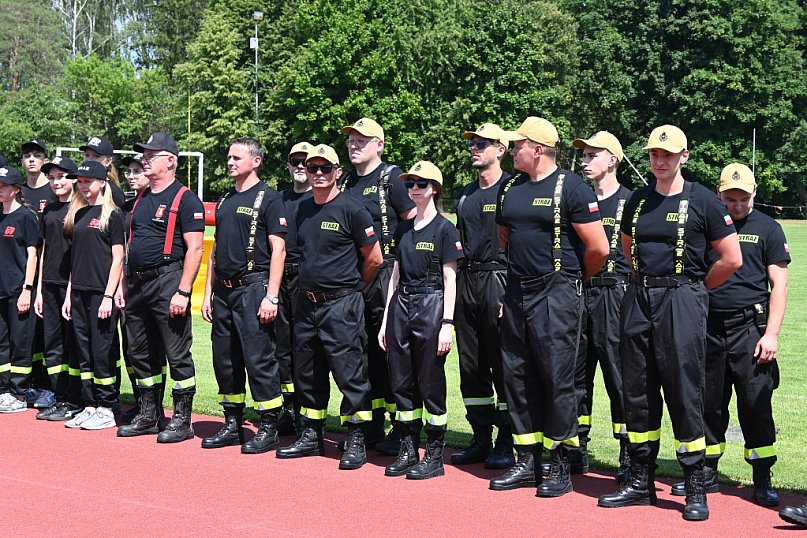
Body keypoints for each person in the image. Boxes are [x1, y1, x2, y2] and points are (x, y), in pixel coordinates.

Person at [598, 125, 742, 521]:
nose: (659, 161)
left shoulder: (703, 202)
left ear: (684, 156)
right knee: (638, 389)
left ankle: (695, 483)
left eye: (668, 155)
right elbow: (627, 245)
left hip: (682, 297)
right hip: (639, 296)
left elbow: (731, 258)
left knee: (682, 388)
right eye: (654, 155)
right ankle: (640, 479)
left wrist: (694, 287)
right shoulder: (638, 200)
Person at [493, 117, 609, 497]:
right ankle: (526, 460)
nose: (512, 151)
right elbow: (505, 237)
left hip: (556, 292)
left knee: (559, 379)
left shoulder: (572, 187)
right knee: (517, 376)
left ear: (538, 149)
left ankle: (559, 461)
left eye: (517, 145)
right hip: (516, 291)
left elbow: (599, 248)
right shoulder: (510, 188)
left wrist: (573, 280)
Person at [668, 163, 789, 506]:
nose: (736, 205)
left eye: (742, 199)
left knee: (755, 403)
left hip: (749, 328)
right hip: (707, 325)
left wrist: (772, 335)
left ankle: (762, 476)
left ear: (754, 194)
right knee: (708, 404)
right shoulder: (705, 224)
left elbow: (779, 284)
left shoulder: (768, 227)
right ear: (719, 194)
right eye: (729, 198)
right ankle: (706, 472)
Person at [276, 144, 383, 470]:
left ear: (337, 172)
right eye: (313, 168)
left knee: (350, 374)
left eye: (325, 168)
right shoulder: (302, 209)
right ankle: (311, 434)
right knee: (308, 374)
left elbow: (375, 258)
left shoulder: (353, 209)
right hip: (307, 304)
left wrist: (351, 288)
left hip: (342, 305)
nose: (318, 174)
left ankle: (356, 437)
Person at [116, 132, 205, 443]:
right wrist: (122, 285)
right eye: (144, 154)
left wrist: (182, 291)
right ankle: (149, 413)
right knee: (141, 352)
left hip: (168, 281)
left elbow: (195, 250)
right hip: (137, 283)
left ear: (170, 161)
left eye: (151, 154)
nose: (144, 159)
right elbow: (130, 244)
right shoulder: (139, 199)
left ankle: (182, 420)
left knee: (177, 353)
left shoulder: (185, 198)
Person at [200, 137, 287, 453]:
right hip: (223, 291)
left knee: (259, 359)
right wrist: (208, 293)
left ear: (256, 161)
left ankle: (268, 426)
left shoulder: (269, 198)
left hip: (253, 288)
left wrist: (272, 296)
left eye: (237, 157)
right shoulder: (223, 200)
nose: (230, 162)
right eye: (228, 157)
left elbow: (279, 249)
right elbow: (215, 251)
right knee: (225, 359)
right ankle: (232, 423)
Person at [379, 161, 463, 479]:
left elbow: (450, 280)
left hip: (431, 303)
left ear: (434, 189)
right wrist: (387, 319)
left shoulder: (445, 229)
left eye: (421, 184)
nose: (414, 189)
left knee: (429, 382)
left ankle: (435, 455)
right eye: (410, 184)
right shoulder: (402, 229)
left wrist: (447, 324)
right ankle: (408, 450)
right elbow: (394, 276)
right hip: (401, 303)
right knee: (401, 382)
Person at [339, 118, 416, 453]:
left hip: (384, 272)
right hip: (353, 276)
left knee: (392, 352)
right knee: (362, 351)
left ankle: (403, 428)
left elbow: (413, 222)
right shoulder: (343, 183)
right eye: (351, 140)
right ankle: (370, 426)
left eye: (362, 140)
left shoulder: (392, 179)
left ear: (379, 145)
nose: (354, 145)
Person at [450, 123, 514, 470]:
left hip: (500, 279)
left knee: (503, 365)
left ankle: (506, 441)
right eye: (472, 143)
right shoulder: (464, 194)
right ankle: (480, 437)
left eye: (482, 143)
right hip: (468, 280)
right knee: (471, 366)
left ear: (501, 150)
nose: (474, 147)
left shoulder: (512, 190)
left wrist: (511, 293)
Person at [569, 131, 633, 480]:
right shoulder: (579, 200)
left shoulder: (631, 200)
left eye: (593, 154)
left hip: (615, 295)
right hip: (580, 293)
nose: (585, 160)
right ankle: (578, 447)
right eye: (583, 154)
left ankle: (628, 451)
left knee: (618, 377)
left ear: (612, 159)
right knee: (577, 375)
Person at [60, 161, 125, 429]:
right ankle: (90, 404)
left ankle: (108, 406)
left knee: (102, 351)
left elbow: (118, 257)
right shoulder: (80, 214)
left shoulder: (113, 215)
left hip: (101, 294)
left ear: (101, 182)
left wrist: (108, 296)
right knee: (83, 351)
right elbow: (75, 261)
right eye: (81, 182)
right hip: (79, 294)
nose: (84, 186)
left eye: (88, 181)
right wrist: (68, 294)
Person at [34, 157, 86, 421]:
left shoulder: (81, 210)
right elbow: (44, 252)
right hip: (50, 286)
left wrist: (69, 289)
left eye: (62, 177)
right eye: (52, 178)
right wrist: (41, 289)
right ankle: (59, 395)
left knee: (71, 345)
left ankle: (74, 398)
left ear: (74, 179)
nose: (56, 182)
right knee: (53, 344)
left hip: (71, 287)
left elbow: (79, 255)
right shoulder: (49, 210)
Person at [118, 153, 166, 424]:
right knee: (132, 350)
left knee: (155, 349)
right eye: (130, 171)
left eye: (138, 170)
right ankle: (142, 403)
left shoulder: (154, 203)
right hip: (129, 285)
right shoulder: (125, 208)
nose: (133, 175)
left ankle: (155, 407)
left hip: (154, 284)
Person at [275, 141, 314, 436]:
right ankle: (288, 408)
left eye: (306, 161)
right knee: (282, 346)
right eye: (295, 161)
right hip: (280, 278)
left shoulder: (320, 199)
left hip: (307, 279)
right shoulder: (279, 199)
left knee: (306, 347)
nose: (300, 166)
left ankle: (309, 410)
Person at [19, 139, 56, 408]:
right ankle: (28, 383)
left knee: (46, 331)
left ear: (45, 159)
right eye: (27, 156)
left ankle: (48, 386)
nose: (31, 159)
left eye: (36, 155)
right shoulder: (16, 192)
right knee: (25, 332)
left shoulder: (54, 190)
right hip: (21, 271)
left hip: (49, 270)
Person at [0, 166, 39, 413]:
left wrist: (27, 289)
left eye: (3, 186)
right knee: (1, 342)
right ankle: (3, 388)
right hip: (0, 289)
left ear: (15, 189)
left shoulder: (26, 217)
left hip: (18, 290)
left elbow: (33, 255)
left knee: (20, 342)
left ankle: (19, 391)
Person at [80, 136, 127, 208]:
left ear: (108, 161)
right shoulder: (76, 185)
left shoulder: (115, 193)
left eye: (96, 156)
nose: (90, 160)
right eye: (87, 155)